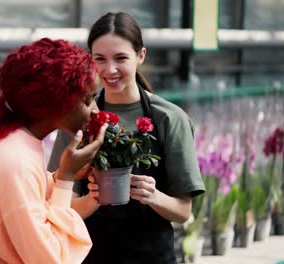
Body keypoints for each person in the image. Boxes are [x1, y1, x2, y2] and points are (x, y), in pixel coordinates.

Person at [0, 38, 108, 263]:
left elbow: (28, 206)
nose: (95, 111)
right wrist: (65, 178)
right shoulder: (16, 162)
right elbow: (52, 258)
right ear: (54, 102)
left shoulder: (10, 142)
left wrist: (61, 178)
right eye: (88, 100)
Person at [48, 12, 205, 263]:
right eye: (100, 59)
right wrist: (92, 200)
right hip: (90, 256)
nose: (110, 69)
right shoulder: (76, 117)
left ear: (140, 56)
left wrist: (154, 196)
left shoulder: (169, 118)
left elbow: (183, 211)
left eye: (121, 58)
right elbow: (58, 205)